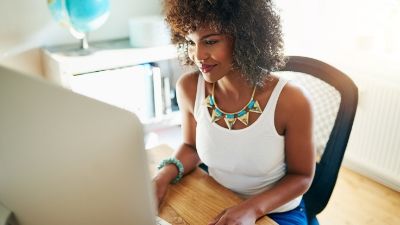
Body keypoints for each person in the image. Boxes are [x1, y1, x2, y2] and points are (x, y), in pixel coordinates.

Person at [153, 0, 315, 224]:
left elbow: (302, 177)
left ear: (244, 37)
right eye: (191, 42)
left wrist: (251, 209)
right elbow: (191, 148)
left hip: (277, 212)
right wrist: (162, 177)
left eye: (210, 41)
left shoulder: (291, 100)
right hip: (218, 198)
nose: (198, 55)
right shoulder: (190, 88)